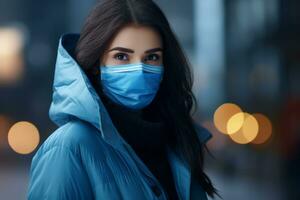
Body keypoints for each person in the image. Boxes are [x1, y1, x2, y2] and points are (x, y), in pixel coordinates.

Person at [27, 0, 219, 199]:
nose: (139, 70)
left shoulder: (178, 142)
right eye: (121, 56)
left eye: (152, 57)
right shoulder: (69, 148)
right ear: (96, 64)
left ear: (165, 65)